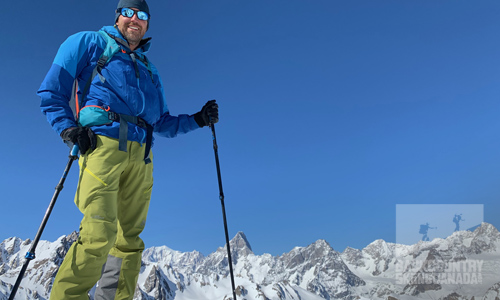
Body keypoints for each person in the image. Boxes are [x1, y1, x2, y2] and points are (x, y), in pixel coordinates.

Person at [37, 0, 218, 299]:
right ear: (118, 15)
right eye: (129, 12)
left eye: (142, 15)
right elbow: (51, 90)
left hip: (143, 157)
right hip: (103, 147)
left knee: (129, 241)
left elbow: (161, 122)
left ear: (147, 23)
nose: (135, 19)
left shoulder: (150, 69)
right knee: (98, 234)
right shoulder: (89, 42)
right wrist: (68, 129)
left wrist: (197, 120)